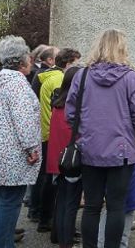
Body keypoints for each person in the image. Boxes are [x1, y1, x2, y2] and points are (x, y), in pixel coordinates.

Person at [66, 29, 135, 248]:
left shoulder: (81, 76)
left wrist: (88, 131)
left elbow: (71, 113)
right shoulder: (131, 78)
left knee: (91, 206)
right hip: (121, 151)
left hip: (90, 149)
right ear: (122, 48)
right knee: (116, 206)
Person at [0, 35, 41, 248]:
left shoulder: (0, 82)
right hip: (13, 154)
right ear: (21, 60)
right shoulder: (17, 85)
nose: (31, 60)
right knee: (9, 203)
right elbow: (24, 121)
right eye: (28, 56)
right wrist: (32, 149)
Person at [31, 47, 79, 232]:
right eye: (75, 63)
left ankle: (40, 214)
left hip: (46, 131)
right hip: (57, 134)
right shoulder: (60, 80)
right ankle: (49, 220)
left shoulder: (46, 78)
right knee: (58, 183)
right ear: (67, 64)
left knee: (46, 177)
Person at [46, 65, 83, 248]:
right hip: (72, 159)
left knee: (61, 198)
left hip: (57, 158)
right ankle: (66, 240)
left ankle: (57, 234)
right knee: (71, 202)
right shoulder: (75, 105)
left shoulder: (58, 102)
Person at [98, 148, 135, 248]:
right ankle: (115, 243)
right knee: (124, 207)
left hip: (116, 157)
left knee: (115, 207)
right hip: (131, 157)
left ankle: (103, 244)